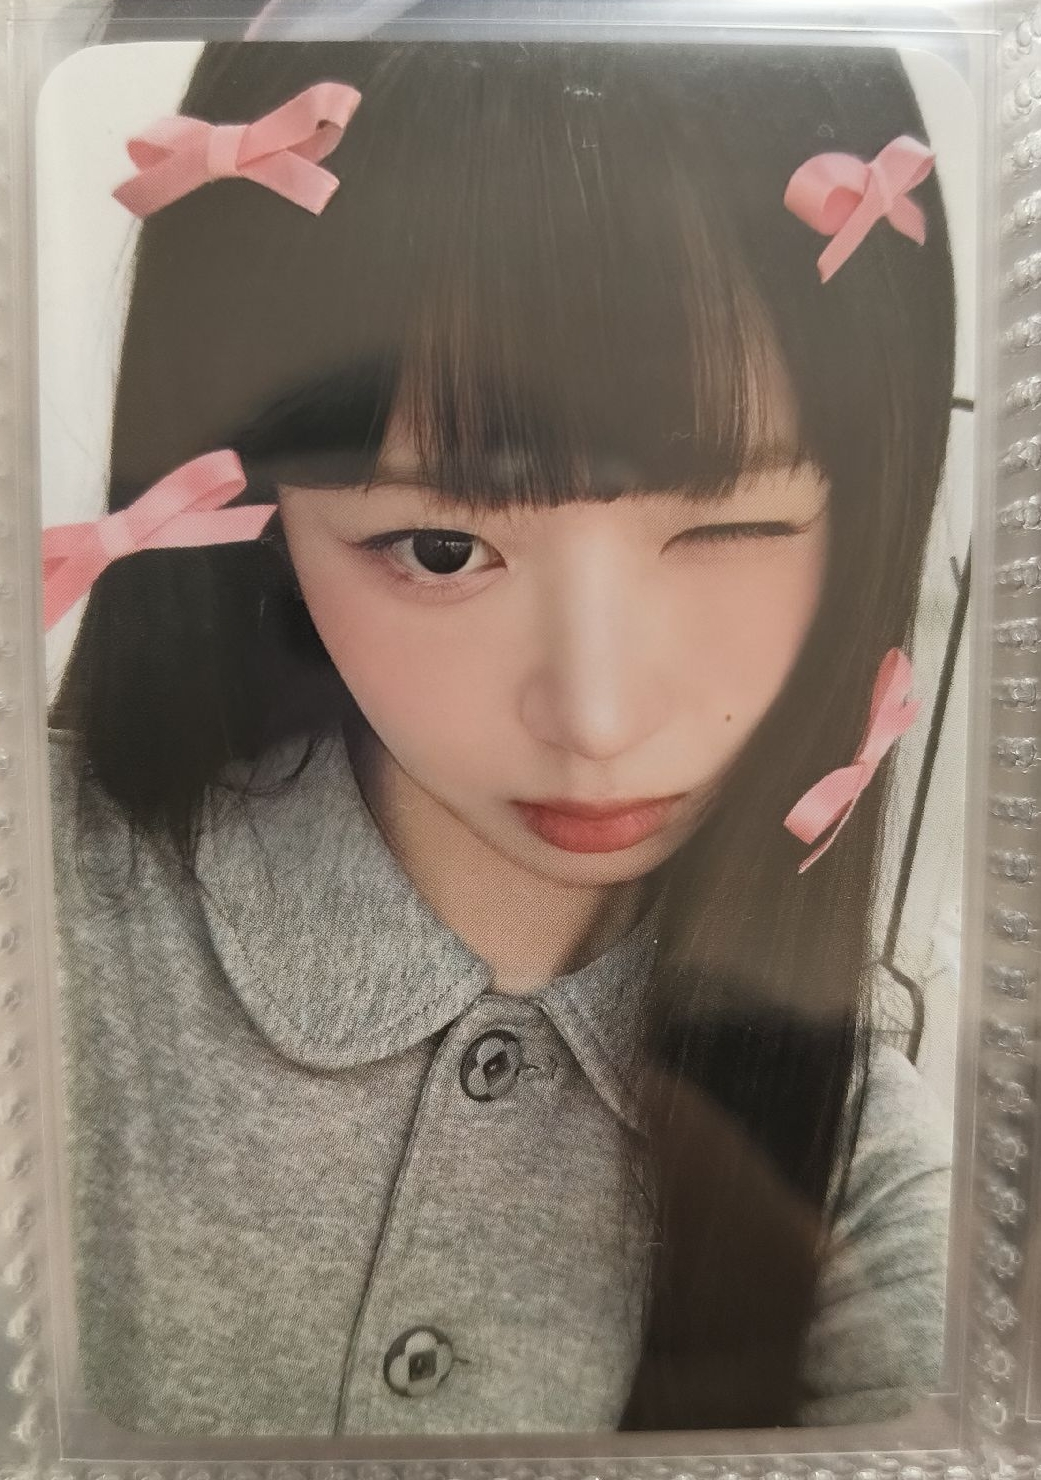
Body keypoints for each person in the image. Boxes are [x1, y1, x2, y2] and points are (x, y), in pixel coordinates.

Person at [44, 32, 956, 1438]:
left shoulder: (853, 1158)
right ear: (256, 518)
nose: (596, 722)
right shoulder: (47, 928)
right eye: (439, 548)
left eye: (729, 527)